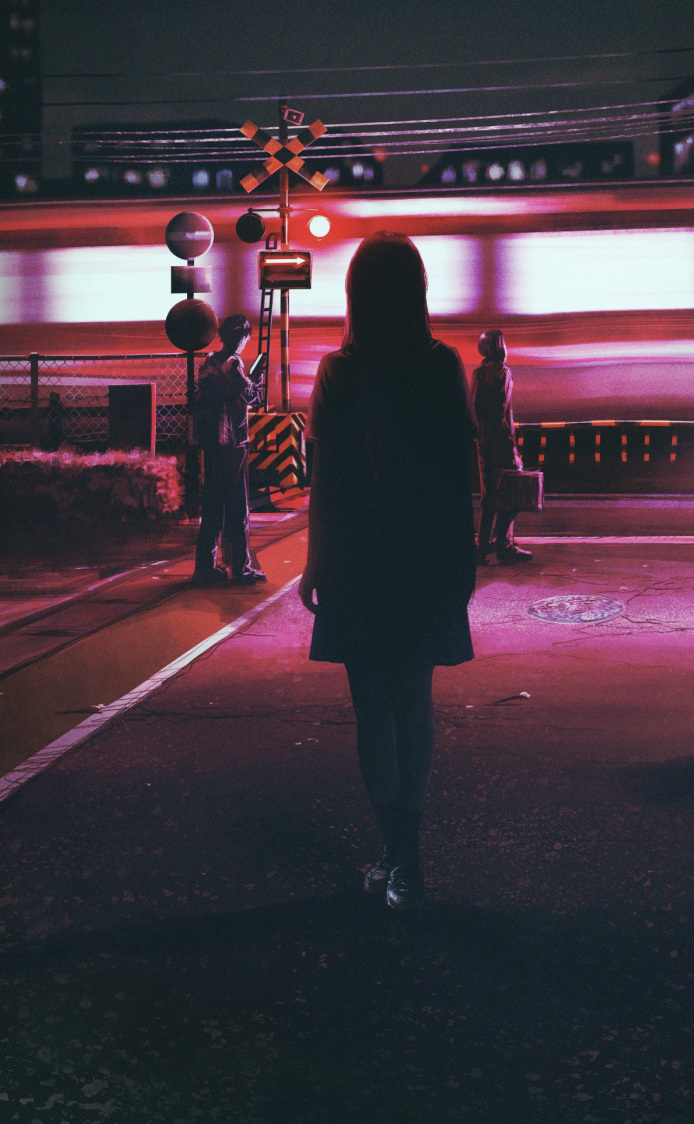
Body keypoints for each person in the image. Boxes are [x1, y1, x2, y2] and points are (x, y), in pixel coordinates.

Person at [299, 232, 476, 912]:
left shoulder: (338, 372)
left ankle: (393, 850)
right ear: (419, 292)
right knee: (414, 700)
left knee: (371, 710)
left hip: (356, 559)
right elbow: (460, 477)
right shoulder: (442, 366)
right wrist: (463, 559)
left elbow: (327, 481)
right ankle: (411, 854)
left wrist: (315, 563)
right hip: (424, 556)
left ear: (354, 295)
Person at [192, 314, 267, 586]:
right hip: (233, 444)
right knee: (238, 506)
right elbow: (250, 396)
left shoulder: (209, 362)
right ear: (242, 338)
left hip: (211, 443)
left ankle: (205, 567)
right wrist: (255, 384)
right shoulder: (233, 364)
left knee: (212, 505)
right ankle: (240, 568)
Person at [472, 329, 532, 564]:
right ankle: (504, 545)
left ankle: (482, 546)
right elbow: (502, 414)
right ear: (499, 347)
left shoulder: (477, 374)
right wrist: (513, 453)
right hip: (501, 443)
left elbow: (476, 410)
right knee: (512, 494)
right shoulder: (503, 373)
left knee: (489, 497)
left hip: (484, 444)